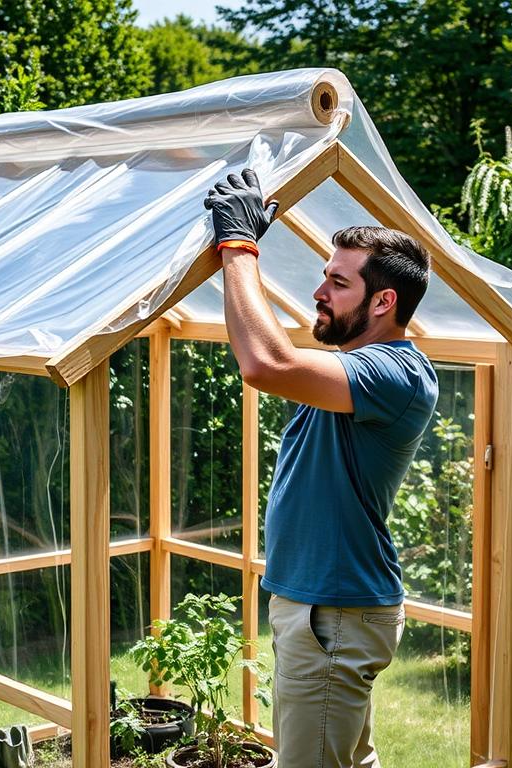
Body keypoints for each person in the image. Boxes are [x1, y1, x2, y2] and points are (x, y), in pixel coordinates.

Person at [203, 169, 439, 768]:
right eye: (323, 277)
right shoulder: (350, 371)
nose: (318, 292)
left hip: (333, 615)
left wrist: (238, 246)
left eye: (338, 282)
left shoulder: (396, 374)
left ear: (384, 301)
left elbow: (264, 364)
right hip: (320, 608)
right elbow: (271, 358)